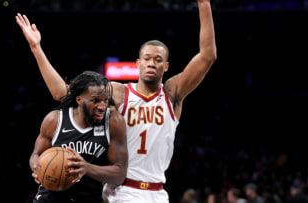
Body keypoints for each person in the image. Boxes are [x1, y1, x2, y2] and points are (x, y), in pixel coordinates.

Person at [16, 0, 216, 201]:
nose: (151, 63)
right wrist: (36, 49)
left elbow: (208, 56)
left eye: (158, 60)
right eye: (146, 58)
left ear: (166, 66)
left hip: (158, 192)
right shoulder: (119, 92)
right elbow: (63, 93)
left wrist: (204, 4)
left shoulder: (173, 94)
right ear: (138, 64)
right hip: (122, 190)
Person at [28, 71, 128, 203]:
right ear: (79, 100)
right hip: (51, 197)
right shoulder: (55, 120)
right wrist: (38, 168)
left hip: (89, 197)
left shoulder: (113, 122)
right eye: (95, 101)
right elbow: (36, 154)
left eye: (105, 100)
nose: (102, 106)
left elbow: (120, 175)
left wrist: (87, 168)